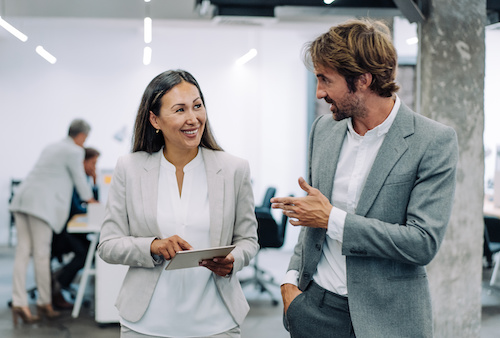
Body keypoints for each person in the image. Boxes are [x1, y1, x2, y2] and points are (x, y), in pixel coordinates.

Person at [271, 19, 459, 338]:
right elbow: (312, 220)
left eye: (325, 80)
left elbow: (422, 243)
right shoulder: (323, 130)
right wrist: (291, 285)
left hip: (391, 319)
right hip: (316, 308)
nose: (319, 92)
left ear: (362, 80)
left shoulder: (433, 142)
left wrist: (332, 219)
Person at [97, 69, 259, 338]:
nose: (193, 118)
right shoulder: (130, 168)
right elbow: (108, 245)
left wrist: (234, 259)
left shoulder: (234, 169)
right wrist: (152, 245)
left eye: (197, 106)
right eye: (180, 110)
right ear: (154, 119)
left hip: (216, 323)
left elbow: (248, 240)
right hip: (146, 324)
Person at [9, 119, 97, 326]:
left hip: (22, 199)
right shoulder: (74, 151)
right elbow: (79, 181)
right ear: (82, 136)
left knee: (23, 253)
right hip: (41, 206)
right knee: (41, 254)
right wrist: (93, 201)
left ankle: (19, 302)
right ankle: (44, 302)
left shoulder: (52, 146)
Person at [51, 147, 101, 310]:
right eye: (93, 163)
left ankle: (61, 279)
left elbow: (91, 199)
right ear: (83, 162)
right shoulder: (73, 181)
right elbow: (76, 208)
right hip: (61, 232)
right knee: (85, 252)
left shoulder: (84, 180)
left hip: (68, 229)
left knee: (91, 249)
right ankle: (57, 284)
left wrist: (94, 182)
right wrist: (92, 209)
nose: (94, 167)